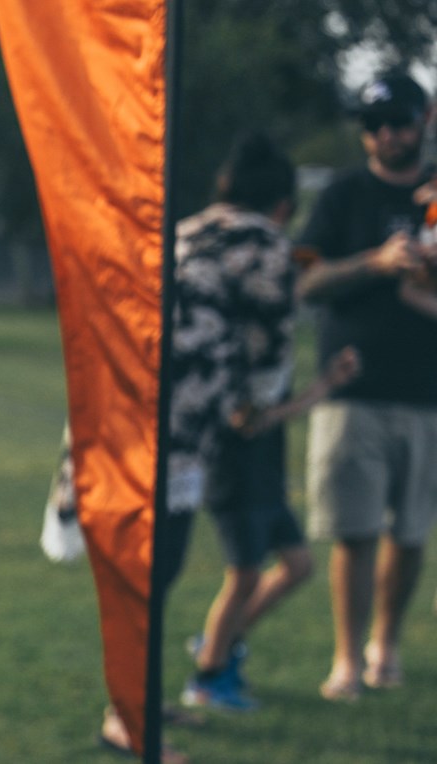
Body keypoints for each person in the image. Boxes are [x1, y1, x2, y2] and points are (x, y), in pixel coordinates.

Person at [166, 133, 328, 712]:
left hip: (174, 420)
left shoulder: (184, 235)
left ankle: (217, 646)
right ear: (283, 207)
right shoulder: (265, 249)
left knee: (296, 563)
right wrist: (315, 389)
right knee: (240, 569)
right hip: (225, 444)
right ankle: (209, 671)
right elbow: (253, 403)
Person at [294, 71, 437, 703]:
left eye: (398, 122)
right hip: (351, 386)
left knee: (409, 533)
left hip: (426, 392)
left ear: (423, 119)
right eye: (373, 125)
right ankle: (347, 659)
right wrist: (376, 261)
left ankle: (386, 645)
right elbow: (304, 280)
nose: (386, 135)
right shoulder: (344, 194)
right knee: (353, 530)